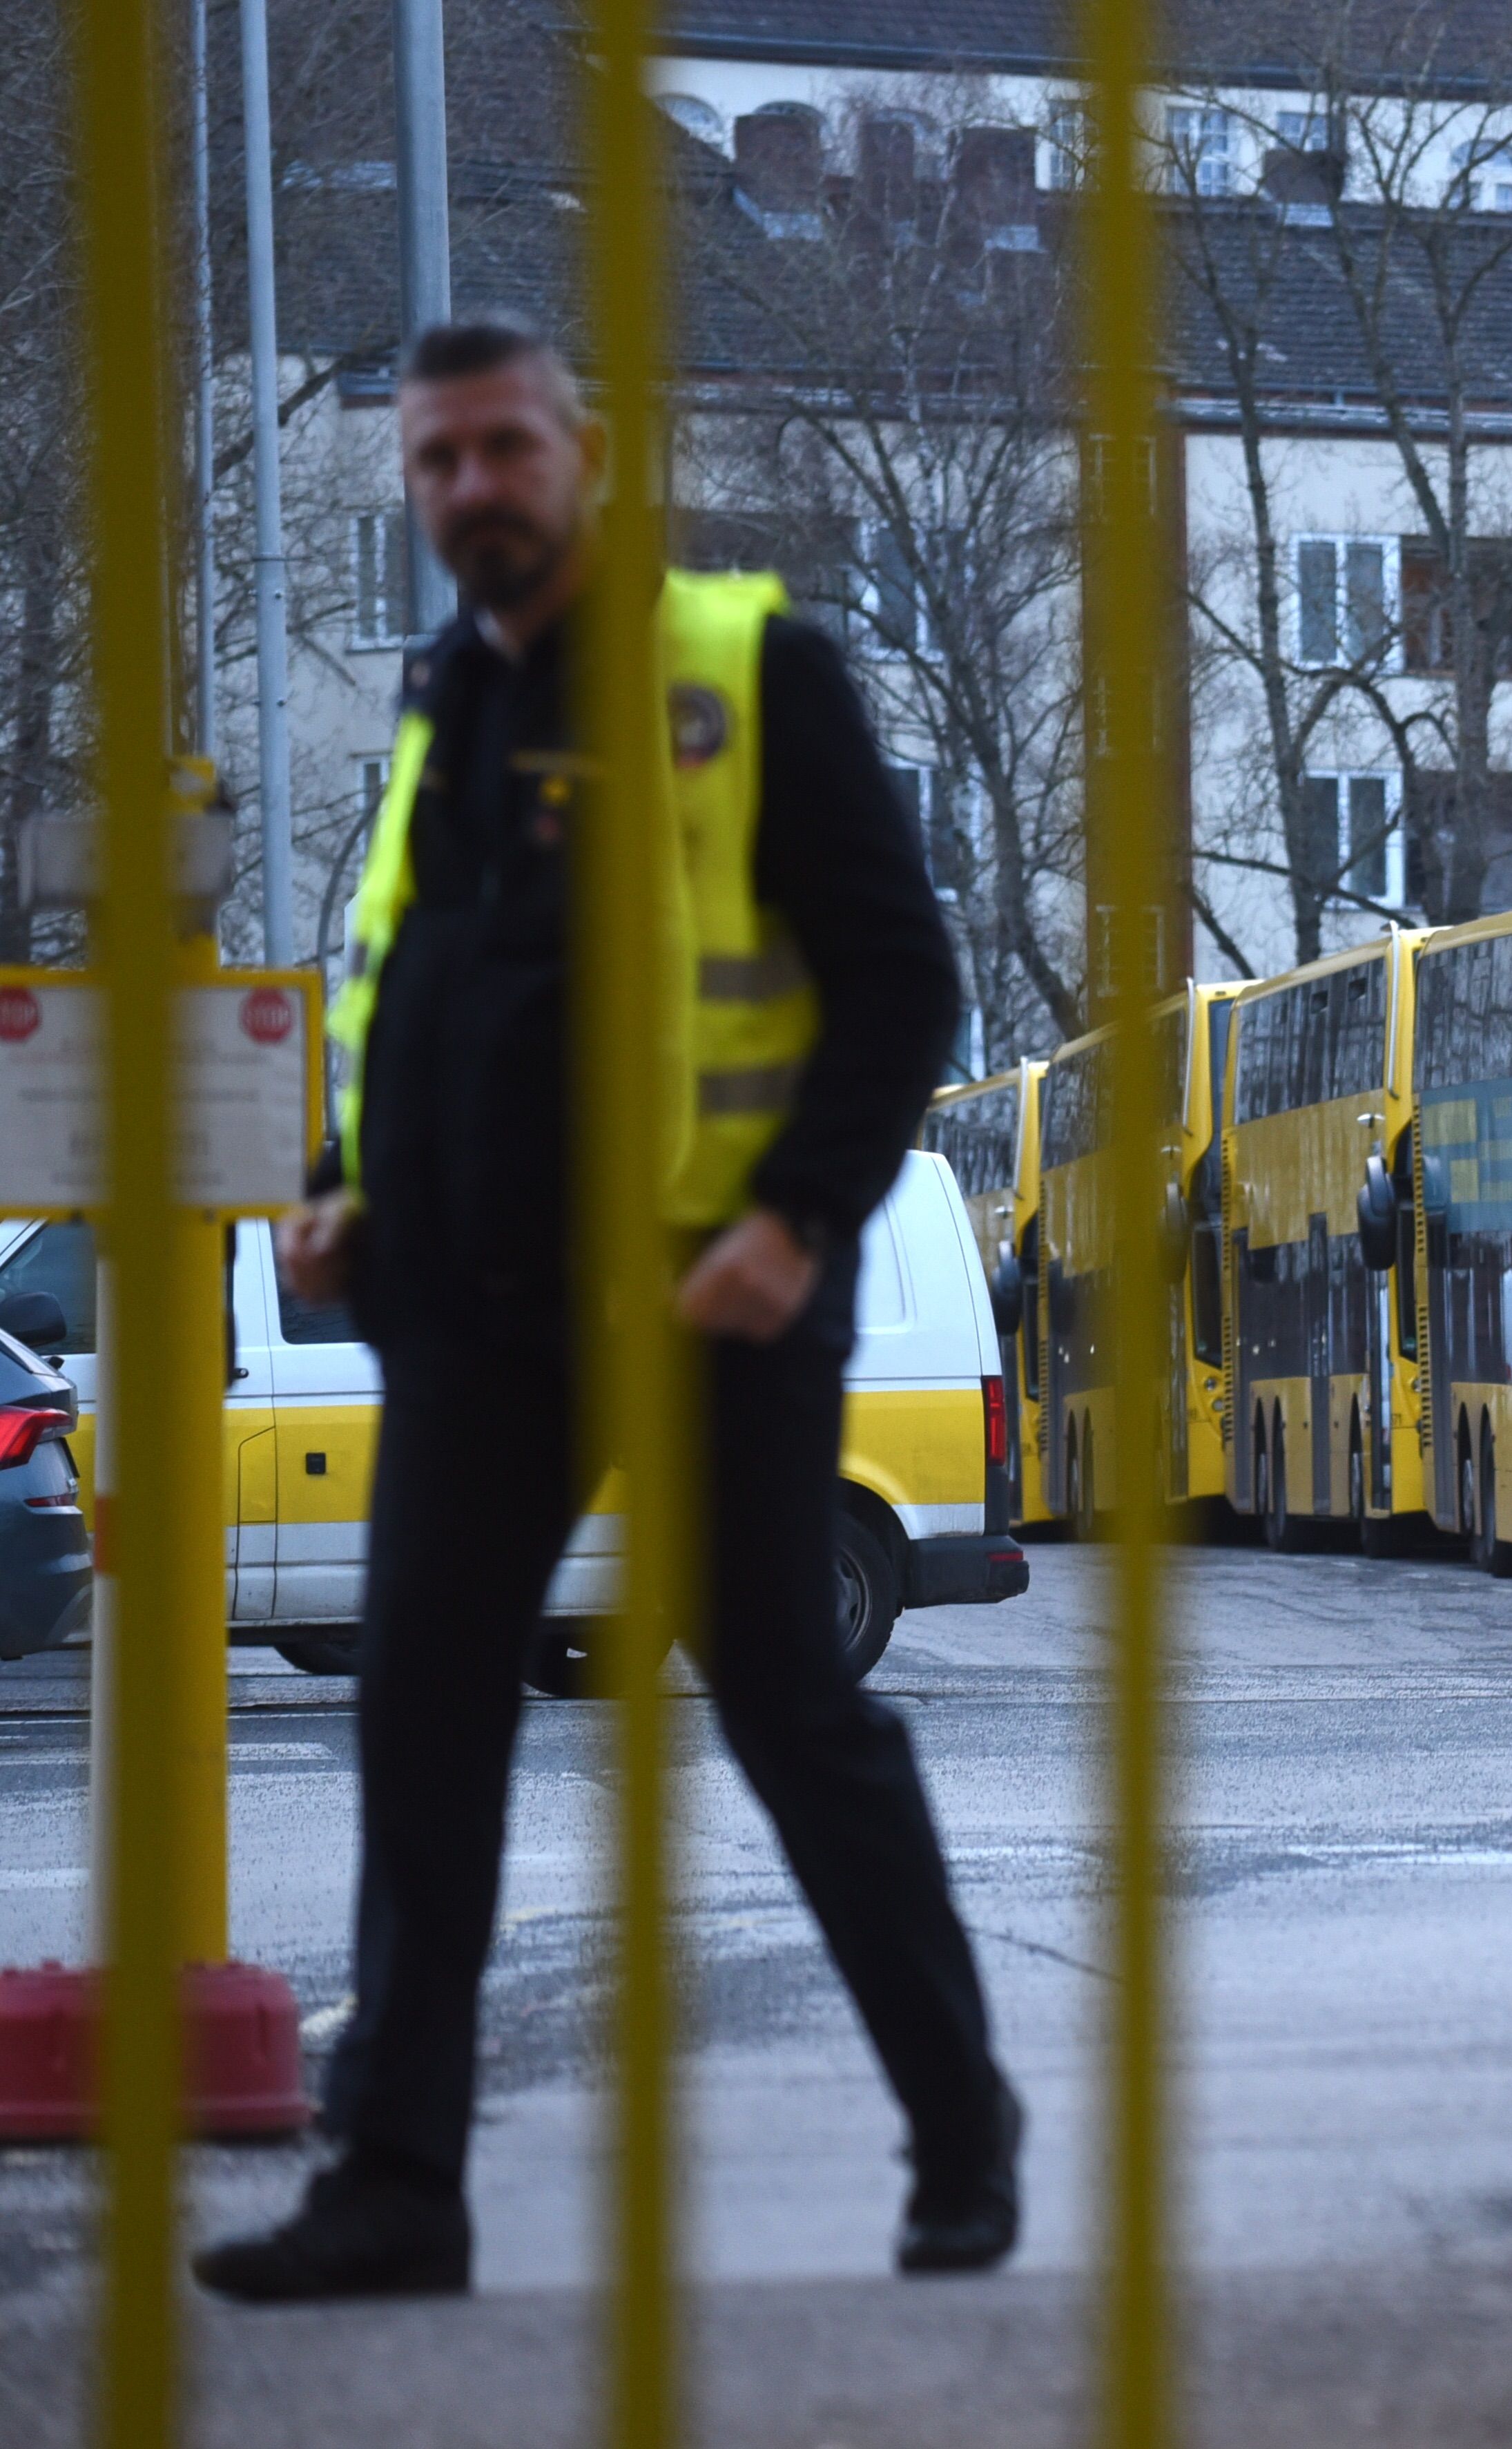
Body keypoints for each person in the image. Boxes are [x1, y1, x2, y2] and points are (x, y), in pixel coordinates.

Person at [195, 318, 1018, 2300]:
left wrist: (802, 1222)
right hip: (472, 1312)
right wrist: (334, 1196)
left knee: (794, 1710)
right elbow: (404, 993)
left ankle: (959, 2123)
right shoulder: (441, 704)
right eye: (434, 461)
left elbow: (901, 981)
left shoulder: (746, 674)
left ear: (588, 451)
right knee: (421, 1713)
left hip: (717, 1290)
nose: (470, 485)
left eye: (501, 446)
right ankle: (398, 2183)